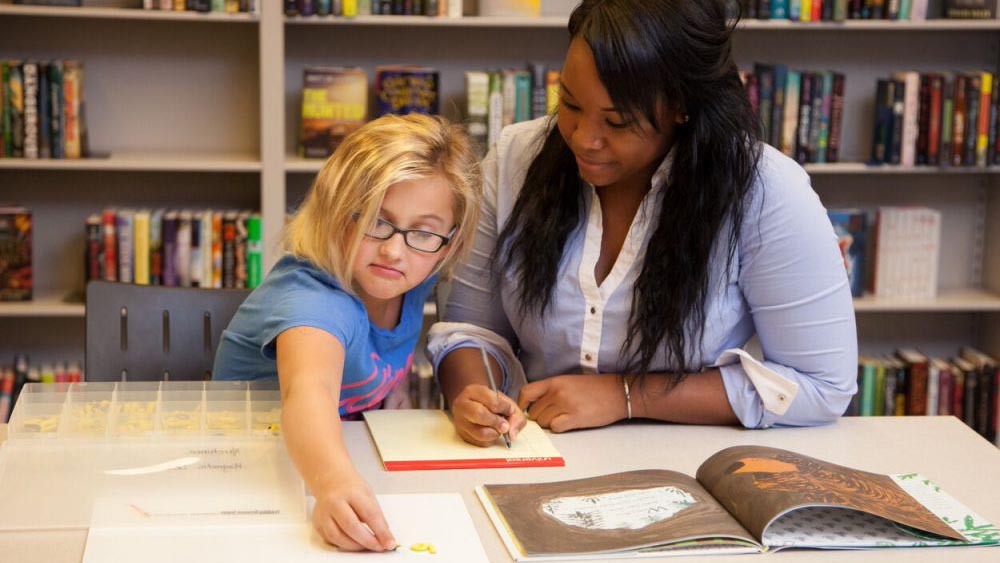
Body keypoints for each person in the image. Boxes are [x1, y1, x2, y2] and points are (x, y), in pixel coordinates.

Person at [429, 0, 857, 448]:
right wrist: (474, 398)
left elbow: (822, 385)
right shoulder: (517, 157)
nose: (583, 138)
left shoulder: (763, 190)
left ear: (681, 107)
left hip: (688, 458)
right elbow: (471, 330)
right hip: (538, 451)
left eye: (617, 122)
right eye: (569, 103)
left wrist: (625, 396)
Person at [212, 114, 480, 551]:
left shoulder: (410, 278)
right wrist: (333, 482)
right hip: (245, 479)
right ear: (335, 212)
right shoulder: (314, 301)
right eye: (376, 220)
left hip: (329, 465)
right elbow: (310, 392)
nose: (394, 250)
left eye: (423, 232)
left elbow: (377, 364)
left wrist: (392, 396)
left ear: (449, 243)